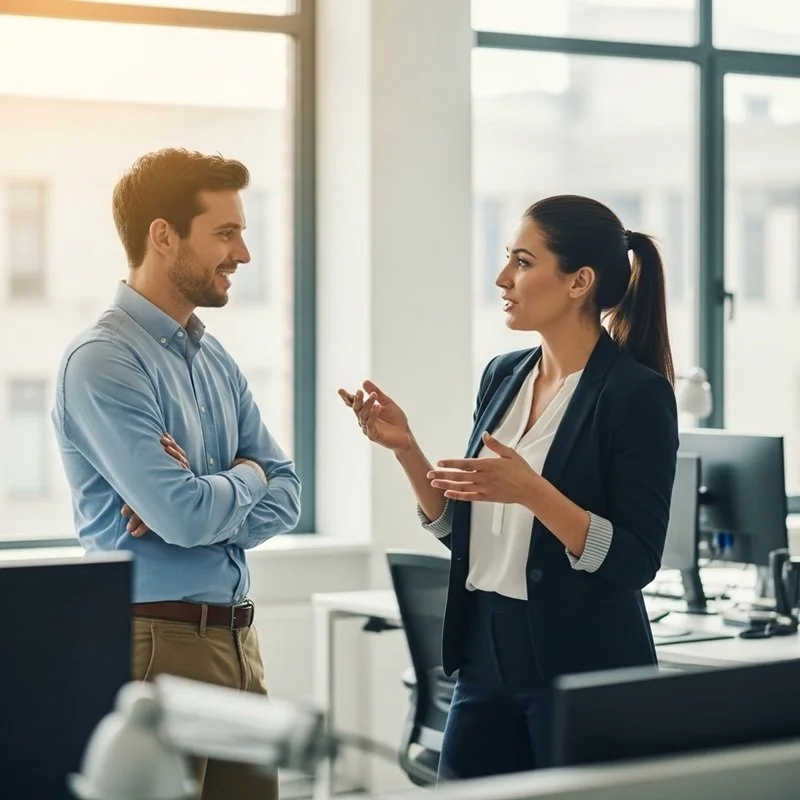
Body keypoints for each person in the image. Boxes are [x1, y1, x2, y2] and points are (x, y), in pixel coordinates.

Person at [339, 194, 678, 781]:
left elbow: (635, 560)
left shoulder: (635, 395)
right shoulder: (503, 374)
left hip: (581, 666)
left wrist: (533, 491)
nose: (503, 279)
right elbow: (463, 532)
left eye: (523, 262)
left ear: (579, 282)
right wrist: (407, 449)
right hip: (482, 654)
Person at [52, 148, 301, 800]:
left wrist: (207, 495)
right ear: (163, 235)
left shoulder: (214, 358)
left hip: (239, 643)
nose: (243, 254)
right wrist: (245, 477)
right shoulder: (103, 361)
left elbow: (289, 494)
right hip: (157, 647)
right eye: (226, 233)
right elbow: (189, 514)